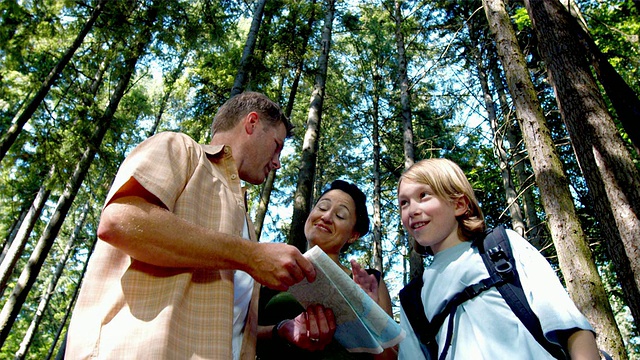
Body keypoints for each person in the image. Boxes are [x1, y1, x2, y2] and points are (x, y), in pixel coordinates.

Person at [64, 91, 324, 360]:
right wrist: (249, 255)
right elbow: (121, 220)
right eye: (277, 145)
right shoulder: (180, 148)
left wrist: (281, 331)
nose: (277, 162)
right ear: (252, 123)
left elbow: (227, 327)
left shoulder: (245, 221)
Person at [396, 158, 600, 360]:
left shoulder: (502, 247)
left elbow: (570, 326)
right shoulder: (412, 299)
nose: (412, 210)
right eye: (404, 203)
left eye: (424, 196)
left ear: (459, 204)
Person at [256, 180, 395, 360]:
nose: (327, 217)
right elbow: (241, 334)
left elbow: (391, 357)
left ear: (353, 235)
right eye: (322, 207)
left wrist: (369, 317)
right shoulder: (273, 273)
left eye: (341, 215)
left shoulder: (368, 282)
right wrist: (281, 330)